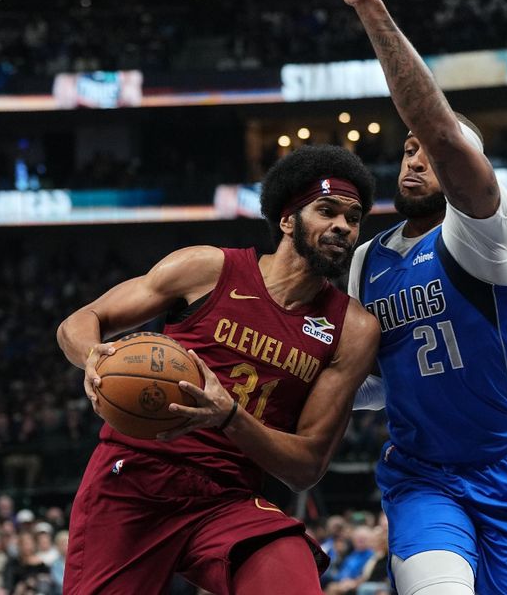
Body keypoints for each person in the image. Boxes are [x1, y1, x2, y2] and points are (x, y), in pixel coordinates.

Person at [56, 144, 380, 594]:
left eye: (354, 217)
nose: (343, 226)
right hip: (134, 477)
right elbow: (81, 321)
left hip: (228, 496)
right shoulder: (207, 268)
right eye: (327, 210)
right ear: (288, 220)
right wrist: (93, 355)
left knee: (289, 565)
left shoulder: (353, 328)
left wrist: (229, 417)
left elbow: (307, 465)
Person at [342, 0, 507, 593]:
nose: (417, 159)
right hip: (423, 476)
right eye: (409, 150)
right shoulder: (366, 261)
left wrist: (370, 10)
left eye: (432, 152)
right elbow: (372, 383)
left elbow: (443, 135)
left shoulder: (484, 231)